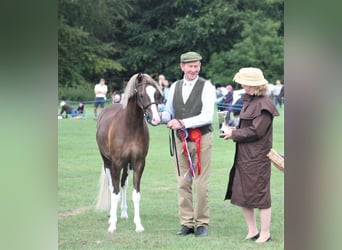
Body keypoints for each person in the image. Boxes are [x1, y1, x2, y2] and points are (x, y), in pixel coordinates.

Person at [160, 51, 216, 237]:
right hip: (179, 140)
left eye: (197, 66)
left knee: (200, 183)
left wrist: (182, 122)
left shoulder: (207, 86)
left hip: (202, 139)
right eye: (190, 66)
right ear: (182, 66)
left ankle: (201, 223)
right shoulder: (175, 86)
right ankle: (186, 223)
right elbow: (169, 111)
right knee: (182, 182)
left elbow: (208, 115)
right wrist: (161, 118)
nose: (194, 69)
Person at [221, 67, 279, 243]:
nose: (242, 85)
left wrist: (234, 134)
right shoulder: (249, 100)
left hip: (258, 157)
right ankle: (252, 231)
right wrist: (232, 130)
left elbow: (256, 131)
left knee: (260, 195)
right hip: (244, 155)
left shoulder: (264, 105)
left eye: (245, 83)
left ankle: (265, 233)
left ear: (254, 85)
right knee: (242, 193)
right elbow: (246, 127)